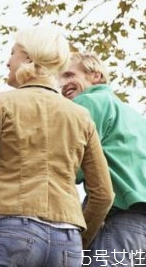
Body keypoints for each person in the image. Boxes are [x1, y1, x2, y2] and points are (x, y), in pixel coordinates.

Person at [0, 26, 114, 267]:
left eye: (12, 53)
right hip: (67, 237)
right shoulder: (81, 116)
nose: (7, 62)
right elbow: (104, 194)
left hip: (12, 226)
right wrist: (78, 239)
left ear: (29, 59)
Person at [60, 52, 146, 267]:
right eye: (60, 79)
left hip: (116, 222)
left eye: (70, 75)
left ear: (95, 76)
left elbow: (70, 167)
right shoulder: (133, 115)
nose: (63, 84)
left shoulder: (88, 102)